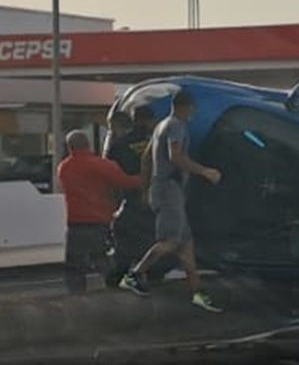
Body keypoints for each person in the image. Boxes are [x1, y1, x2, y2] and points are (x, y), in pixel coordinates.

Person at [118, 90, 224, 313]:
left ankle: (197, 292)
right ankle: (134, 274)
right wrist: (205, 171)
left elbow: (147, 158)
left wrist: (146, 189)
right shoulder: (176, 125)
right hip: (168, 189)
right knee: (171, 241)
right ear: (186, 107)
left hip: (164, 188)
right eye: (193, 108)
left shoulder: (159, 126)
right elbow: (176, 157)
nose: (194, 112)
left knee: (186, 243)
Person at [56, 130, 142, 293]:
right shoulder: (100, 164)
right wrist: (146, 177)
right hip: (99, 220)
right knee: (103, 260)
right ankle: (116, 293)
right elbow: (125, 182)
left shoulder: (63, 168)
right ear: (88, 144)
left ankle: (76, 298)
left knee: (75, 265)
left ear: (69, 147)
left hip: (75, 223)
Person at [103, 106, 162, 287]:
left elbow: (110, 176)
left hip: (131, 199)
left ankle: (117, 278)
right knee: (155, 239)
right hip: (157, 198)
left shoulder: (119, 144)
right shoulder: (158, 141)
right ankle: (151, 276)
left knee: (126, 242)